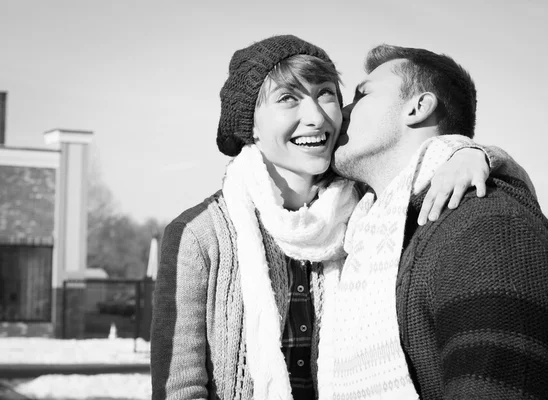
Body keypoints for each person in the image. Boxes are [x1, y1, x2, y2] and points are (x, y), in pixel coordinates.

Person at [151, 35, 526, 400]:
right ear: (250, 126)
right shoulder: (198, 236)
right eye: (287, 99)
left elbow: (424, 163)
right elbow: (179, 388)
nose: (315, 117)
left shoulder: (370, 211)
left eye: (325, 94)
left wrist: (473, 153)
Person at [326, 44, 548, 399]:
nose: (342, 113)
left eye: (361, 95)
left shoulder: (488, 225)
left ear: (418, 107)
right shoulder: (371, 234)